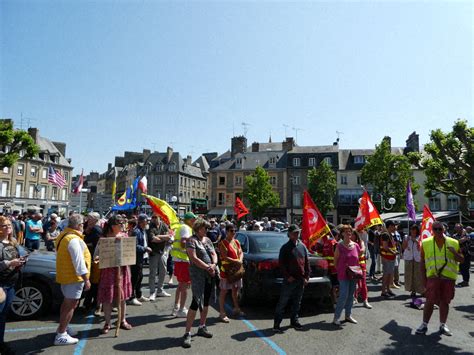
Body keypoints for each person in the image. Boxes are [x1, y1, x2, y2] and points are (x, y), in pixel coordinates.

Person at [415, 221, 464, 336]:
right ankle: (424, 324)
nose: (438, 231)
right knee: (429, 301)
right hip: (433, 277)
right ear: (432, 230)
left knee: (445, 302)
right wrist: (423, 280)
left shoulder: (454, 242)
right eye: (435, 229)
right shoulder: (426, 243)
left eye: (440, 229)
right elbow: (422, 263)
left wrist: (454, 253)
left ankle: (443, 324)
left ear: (444, 230)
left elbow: (461, 259)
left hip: (448, 278)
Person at [54, 214, 91, 346]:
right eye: (83, 225)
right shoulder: (73, 239)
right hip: (73, 277)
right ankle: (61, 334)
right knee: (70, 305)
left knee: (67, 304)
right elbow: (79, 262)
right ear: (79, 225)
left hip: (67, 275)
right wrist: (86, 279)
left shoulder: (64, 235)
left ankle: (63, 327)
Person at [182, 218, 218, 348]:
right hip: (198, 276)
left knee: (206, 301)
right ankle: (187, 333)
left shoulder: (207, 240)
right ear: (198, 228)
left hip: (210, 274)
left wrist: (213, 264)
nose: (206, 230)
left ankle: (202, 326)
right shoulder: (191, 241)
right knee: (195, 302)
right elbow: (194, 258)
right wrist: (208, 267)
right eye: (204, 228)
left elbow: (214, 253)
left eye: (207, 228)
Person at [96, 215, 133, 334]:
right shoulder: (104, 237)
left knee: (122, 297)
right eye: (120, 224)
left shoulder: (125, 236)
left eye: (123, 223)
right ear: (112, 226)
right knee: (108, 298)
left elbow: (129, 253)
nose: (122, 226)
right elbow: (97, 254)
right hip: (108, 271)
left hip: (122, 270)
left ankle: (122, 320)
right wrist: (98, 257)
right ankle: (107, 322)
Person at [273, 224, 309, 333]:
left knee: (297, 302)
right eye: (294, 232)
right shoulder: (285, 248)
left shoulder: (302, 246)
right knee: (283, 302)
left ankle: (294, 321)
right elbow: (282, 264)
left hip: (300, 279)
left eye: (298, 232)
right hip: (290, 280)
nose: (297, 234)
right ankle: (277, 324)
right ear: (289, 234)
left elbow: (306, 262)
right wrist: (288, 277)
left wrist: (307, 276)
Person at [0, 216, 26, 354]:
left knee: (3, 316)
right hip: (1, 284)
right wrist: (10, 263)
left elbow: (16, 257)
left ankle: (1, 343)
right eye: (4, 225)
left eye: (9, 225)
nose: (8, 227)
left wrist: (21, 261)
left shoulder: (12, 241)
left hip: (11, 283)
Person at [332, 224, 361, 326]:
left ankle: (348, 315)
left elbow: (359, 258)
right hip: (343, 275)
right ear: (342, 233)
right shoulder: (339, 246)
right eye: (346, 231)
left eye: (350, 231)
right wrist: (340, 270)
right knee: (343, 295)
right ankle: (336, 317)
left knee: (351, 296)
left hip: (354, 275)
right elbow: (335, 260)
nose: (349, 233)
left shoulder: (356, 245)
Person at [171, 212, 196, 318]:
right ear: (189, 220)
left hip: (179, 259)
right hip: (183, 259)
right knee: (184, 286)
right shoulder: (186, 228)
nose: (195, 222)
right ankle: (181, 309)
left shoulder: (183, 227)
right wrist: (191, 250)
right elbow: (183, 241)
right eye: (193, 220)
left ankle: (177, 307)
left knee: (181, 285)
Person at [218, 223, 244, 323]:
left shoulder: (236, 241)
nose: (233, 233)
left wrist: (240, 260)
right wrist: (236, 261)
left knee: (235, 290)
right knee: (224, 291)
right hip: (227, 270)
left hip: (236, 270)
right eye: (231, 231)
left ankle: (236, 308)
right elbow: (224, 257)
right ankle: (222, 312)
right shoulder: (223, 243)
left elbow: (241, 252)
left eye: (234, 231)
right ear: (227, 232)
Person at [128, 214, 152, 305]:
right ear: (142, 221)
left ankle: (138, 295)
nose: (147, 222)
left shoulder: (143, 230)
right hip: (136, 257)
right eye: (146, 221)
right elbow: (134, 245)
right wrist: (145, 249)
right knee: (135, 277)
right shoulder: (136, 231)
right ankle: (131, 297)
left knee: (140, 276)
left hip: (141, 257)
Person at [148, 215, 173, 301]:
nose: (154, 219)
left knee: (163, 271)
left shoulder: (164, 225)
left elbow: (168, 236)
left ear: (160, 218)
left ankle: (160, 290)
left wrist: (159, 236)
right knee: (152, 273)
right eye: (153, 217)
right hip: (153, 253)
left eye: (156, 217)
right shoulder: (150, 226)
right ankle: (152, 292)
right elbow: (153, 239)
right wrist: (163, 238)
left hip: (163, 252)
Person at [82, 212, 103, 312]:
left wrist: (85, 240)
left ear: (95, 220)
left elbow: (92, 242)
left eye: (90, 218)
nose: (87, 220)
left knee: (93, 282)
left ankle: (90, 303)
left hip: (93, 258)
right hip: (90, 257)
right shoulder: (89, 227)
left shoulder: (96, 229)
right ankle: (90, 302)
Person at [402, 224, 424, 298]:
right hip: (409, 258)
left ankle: (421, 290)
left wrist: (416, 241)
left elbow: (420, 249)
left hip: (417, 259)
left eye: (414, 230)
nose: (413, 232)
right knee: (409, 275)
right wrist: (407, 241)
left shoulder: (420, 238)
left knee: (418, 276)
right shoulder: (406, 237)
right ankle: (412, 290)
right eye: (412, 230)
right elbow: (404, 247)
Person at [351, 230, 372, 309]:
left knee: (363, 283)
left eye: (353, 235)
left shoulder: (361, 242)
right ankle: (354, 298)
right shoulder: (348, 243)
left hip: (361, 265)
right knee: (353, 283)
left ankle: (365, 300)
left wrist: (352, 252)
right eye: (351, 235)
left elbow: (362, 250)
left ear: (356, 235)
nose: (351, 236)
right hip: (353, 265)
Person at [380, 221, 398, 298]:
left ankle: (388, 290)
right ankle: (384, 291)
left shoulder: (389, 234)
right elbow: (385, 247)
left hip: (390, 258)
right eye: (394, 226)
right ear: (390, 226)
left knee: (389, 274)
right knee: (386, 275)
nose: (395, 227)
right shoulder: (385, 235)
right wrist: (393, 252)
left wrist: (394, 251)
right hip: (387, 258)